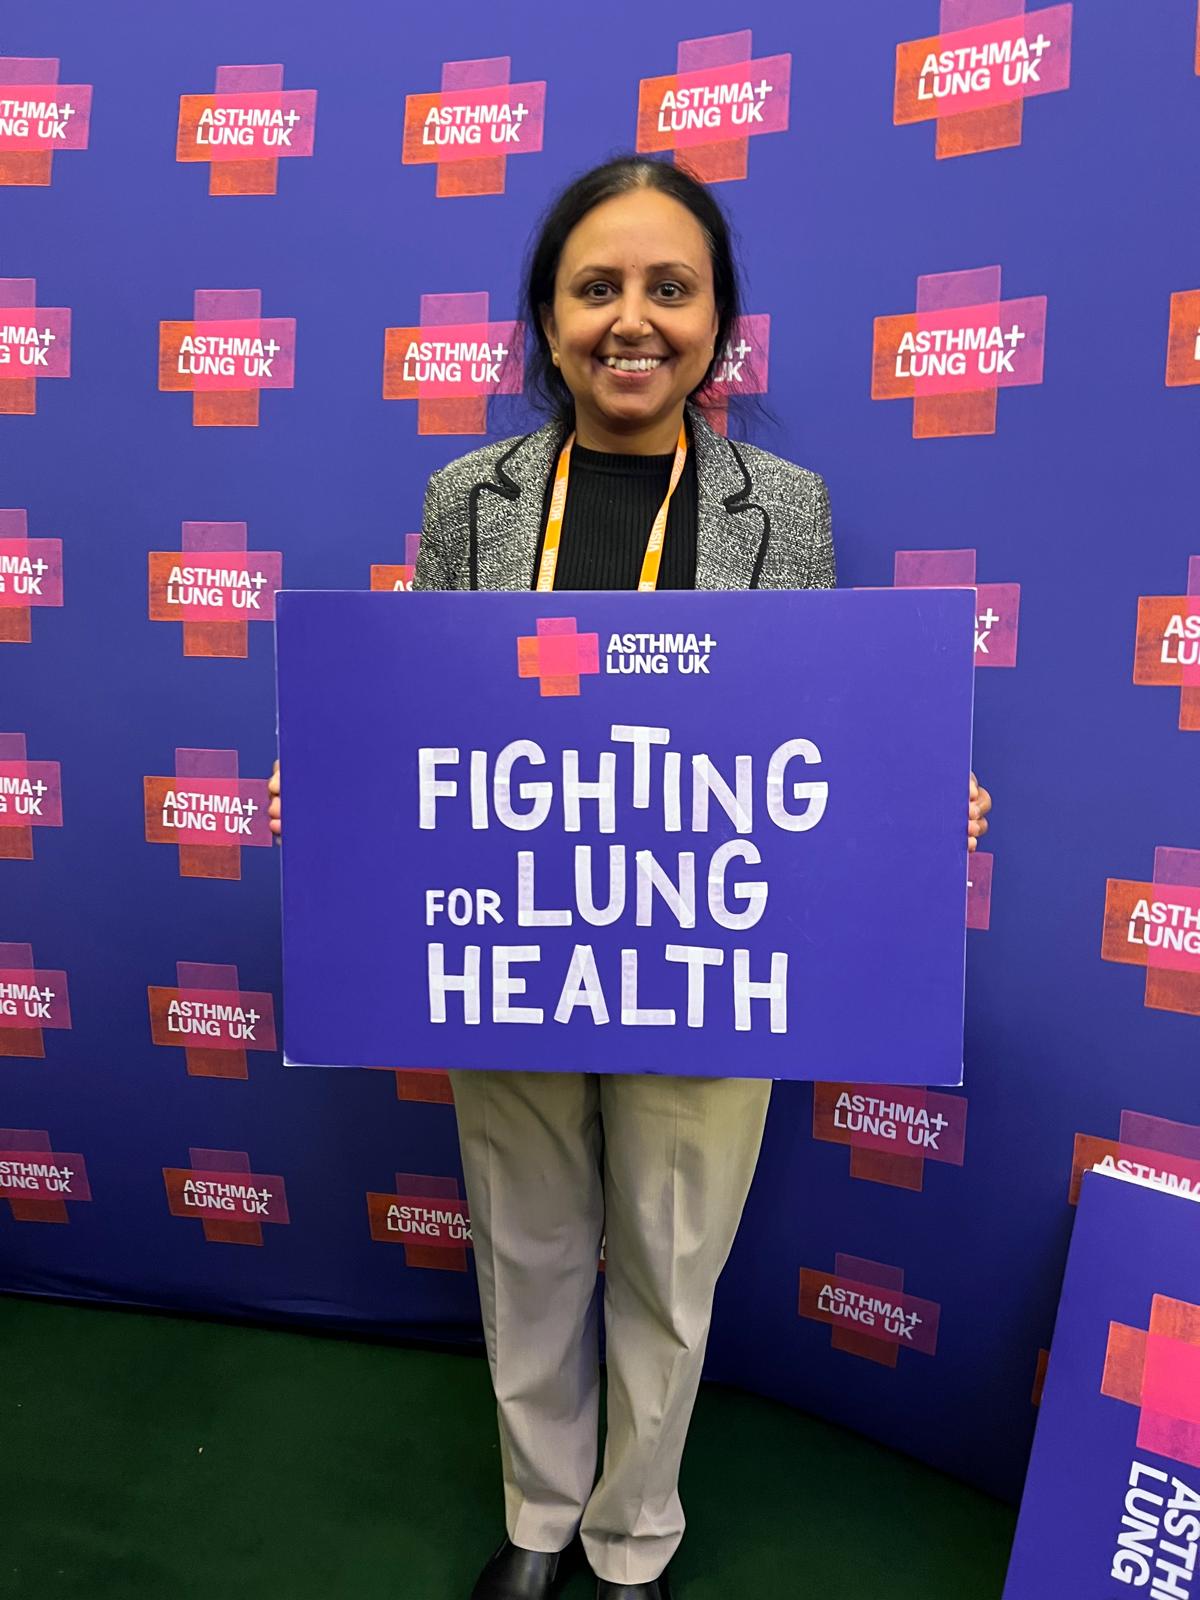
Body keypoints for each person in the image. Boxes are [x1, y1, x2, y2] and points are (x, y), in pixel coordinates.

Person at [267, 155, 992, 1600]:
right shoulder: (469, 495)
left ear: (719, 320)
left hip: (708, 951)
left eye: (672, 286)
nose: (633, 319)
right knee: (527, 1237)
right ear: (547, 318)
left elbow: (807, 725)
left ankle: (630, 1538)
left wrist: (907, 799)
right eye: (597, 287)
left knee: (671, 1257)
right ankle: (541, 1521)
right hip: (522, 946)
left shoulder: (779, 505)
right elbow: (431, 714)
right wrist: (343, 785)